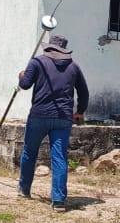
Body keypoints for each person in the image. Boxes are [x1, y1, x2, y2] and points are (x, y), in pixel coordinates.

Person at [17, 34, 89, 211]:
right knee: (59, 157)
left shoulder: (37, 63)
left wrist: (21, 75)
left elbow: (25, 85)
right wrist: (79, 111)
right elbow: (84, 92)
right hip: (63, 118)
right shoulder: (73, 67)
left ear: (48, 47)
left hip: (38, 116)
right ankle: (58, 201)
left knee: (30, 152)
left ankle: (24, 189)